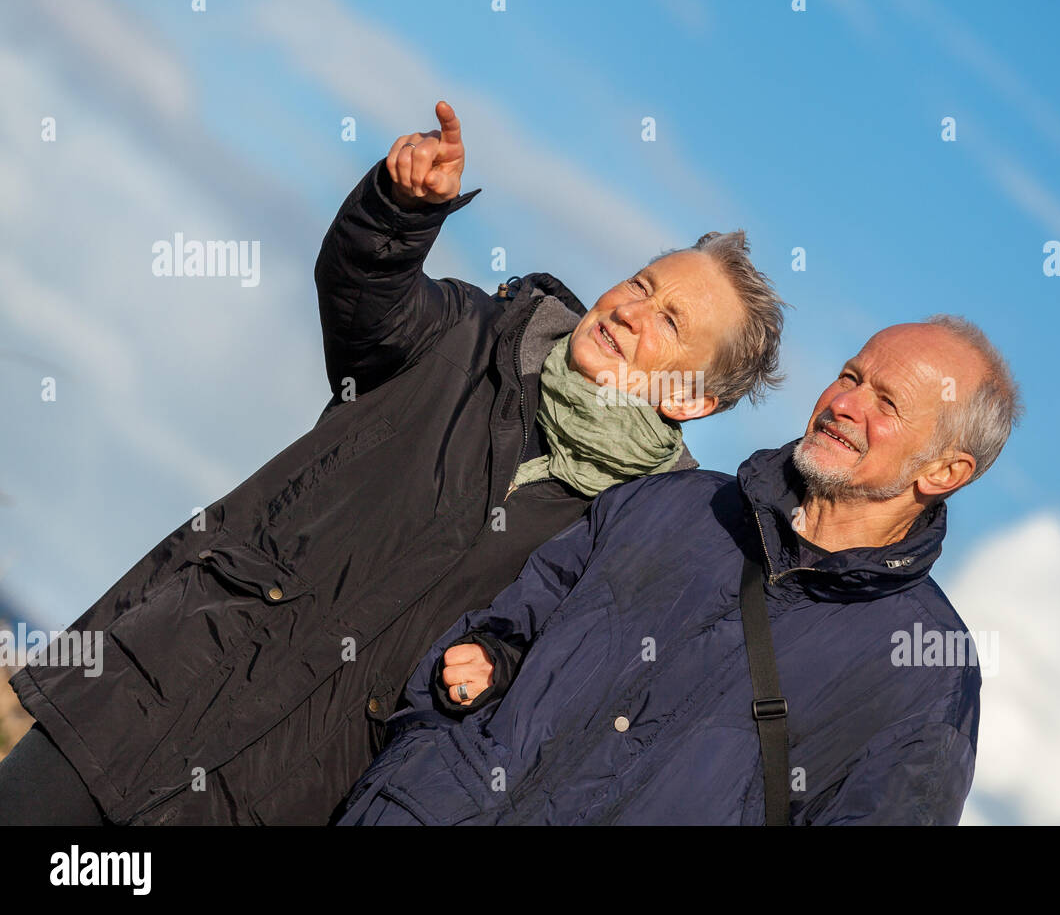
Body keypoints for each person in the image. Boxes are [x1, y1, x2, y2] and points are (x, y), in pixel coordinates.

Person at [0, 101, 786, 825]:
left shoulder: (639, 532)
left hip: (286, 795)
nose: (630, 311)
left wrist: (500, 664)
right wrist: (398, 210)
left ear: (694, 398)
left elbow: (555, 671)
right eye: (642, 284)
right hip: (147, 700)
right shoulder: (473, 334)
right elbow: (364, 299)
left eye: (669, 321)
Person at [338, 318, 1022, 825]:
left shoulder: (927, 673)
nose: (845, 405)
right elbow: (508, 624)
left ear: (945, 471)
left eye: (887, 403)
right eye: (850, 376)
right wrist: (469, 687)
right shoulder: (675, 502)